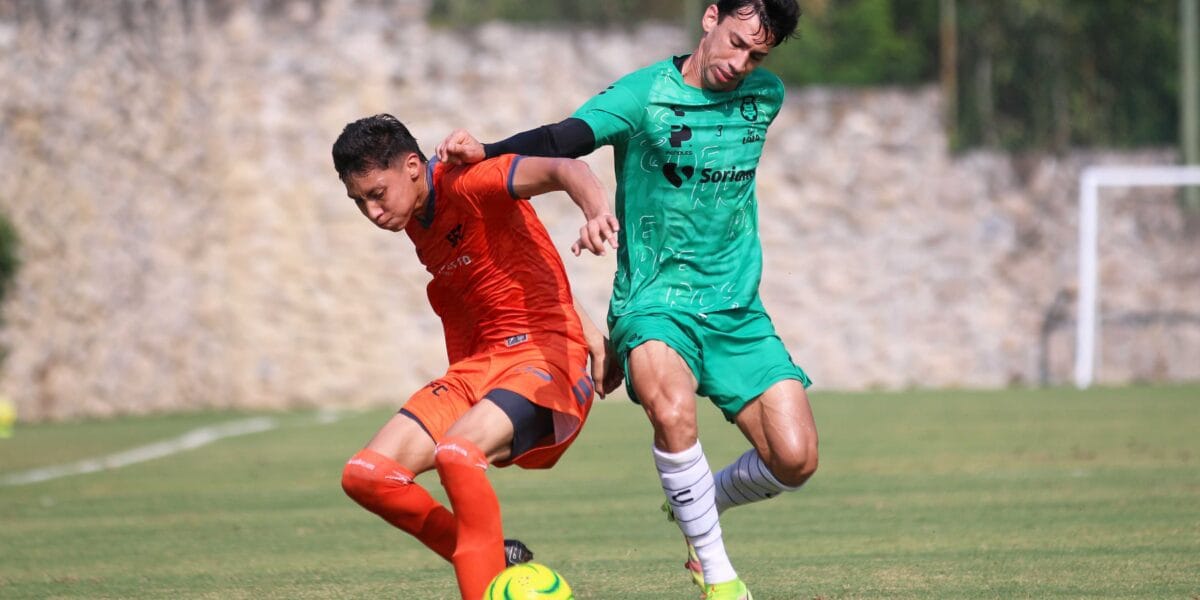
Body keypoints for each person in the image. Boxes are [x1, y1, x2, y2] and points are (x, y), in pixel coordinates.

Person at [436, 2, 815, 599]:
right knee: (672, 411)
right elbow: (564, 138)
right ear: (710, 18)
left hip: (737, 309)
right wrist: (487, 149)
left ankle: (699, 505)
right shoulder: (643, 95)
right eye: (737, 41)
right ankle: (720, 579)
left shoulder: (765, 97)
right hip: (654, 303)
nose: (741, 63)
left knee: (795, 460)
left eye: (756, 55)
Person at [333, 113, 622, 600]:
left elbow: (567, 169)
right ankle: (491, 554)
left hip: (542, 357)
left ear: (411, 167)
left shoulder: (470, 181)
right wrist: (591, 328)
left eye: (377, 194)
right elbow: (520, 261)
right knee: (367, 476)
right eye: (359, 202)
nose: (373, 212)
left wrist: (596, 214)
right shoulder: (415, 215)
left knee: (457, 454)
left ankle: (481, 575)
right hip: (478, 369)